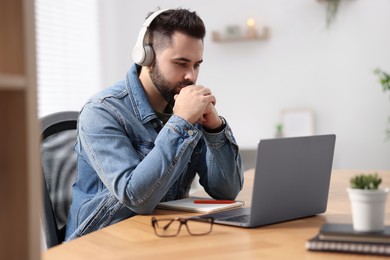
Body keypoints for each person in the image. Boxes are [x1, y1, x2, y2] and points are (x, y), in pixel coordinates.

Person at [65, 8, 244, 241]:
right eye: (181, 63)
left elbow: (226, 191)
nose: (191, 75)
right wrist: (180, 123)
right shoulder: (102, 111)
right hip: (100, 243)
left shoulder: (184, 106)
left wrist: (214, 128)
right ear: (146, 57)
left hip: (160, 233)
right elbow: (137, 198)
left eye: (196, 64)